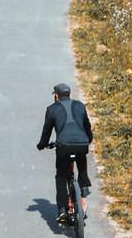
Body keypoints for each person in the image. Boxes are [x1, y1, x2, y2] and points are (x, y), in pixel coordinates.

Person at [37, 81, 93, 226]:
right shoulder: (80, 105)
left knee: (61, 176)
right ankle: (83, 186)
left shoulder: (51, 109)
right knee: (82, 163)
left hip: (64, 146)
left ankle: (62, 209)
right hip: (82, 144)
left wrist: (42, 145)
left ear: (56, 96)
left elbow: (46, 131)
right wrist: (88, 139)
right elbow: (87, 126)